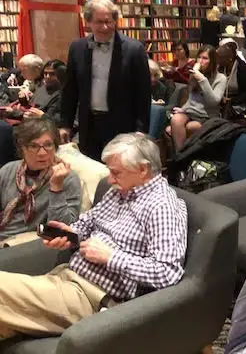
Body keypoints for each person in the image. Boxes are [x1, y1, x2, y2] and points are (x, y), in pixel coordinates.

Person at [0, 133, 187, 339]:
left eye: (116, 172)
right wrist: (71, 234)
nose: (110, 179)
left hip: (92, 297)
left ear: (142, 169)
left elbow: (167, 273)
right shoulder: (120, 190)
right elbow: (87, 222)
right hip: (66, 276)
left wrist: (110, 257)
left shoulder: (162, 207)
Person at [61, 0, 151, 161]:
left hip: (122, 124)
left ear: (115, 21)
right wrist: (65, 125)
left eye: (108, 21)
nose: (105, 27)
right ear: (88, 22)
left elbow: (143, 92)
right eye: (99, 22)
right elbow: (70, 90)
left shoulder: (134, 49)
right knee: (92, 171)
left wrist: (141, 129)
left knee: (120, 171)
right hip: (89, 123)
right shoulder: (77, 48)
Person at [0, 118, 81, 243]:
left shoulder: (68, 179)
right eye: (33, 146)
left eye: (48, 145)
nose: (42, 153)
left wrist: (56, 188)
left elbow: (64, 231)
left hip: (23, 244)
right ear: (22, 148)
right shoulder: (8, 170)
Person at [168, 45, 227, 151]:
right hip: (191, 113)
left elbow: (213, 102)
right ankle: (180, 156)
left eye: (205, 58)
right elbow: (192, 98)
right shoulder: (194, 76)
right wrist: (183, 109)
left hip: (207, 116)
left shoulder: (221, 78)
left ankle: (185, 156)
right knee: (175, 119)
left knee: (189, 127)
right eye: (199, 57)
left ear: (212, 61)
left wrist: (202, 79)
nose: (200, 61)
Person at [21, 60, 66, 125]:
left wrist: (42, 116)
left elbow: (62, 120)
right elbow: (30, 107)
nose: (47, 77)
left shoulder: (66, 94)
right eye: (45, 73)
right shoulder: (42, 88)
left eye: (52, 74)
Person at [216, 44, 246, 112]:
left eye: (220, 58)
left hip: (241, 105)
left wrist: (232, 100)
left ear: (230, 58)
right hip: (223, 103)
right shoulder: (220, 67)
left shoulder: (243, 70)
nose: (217, 60)